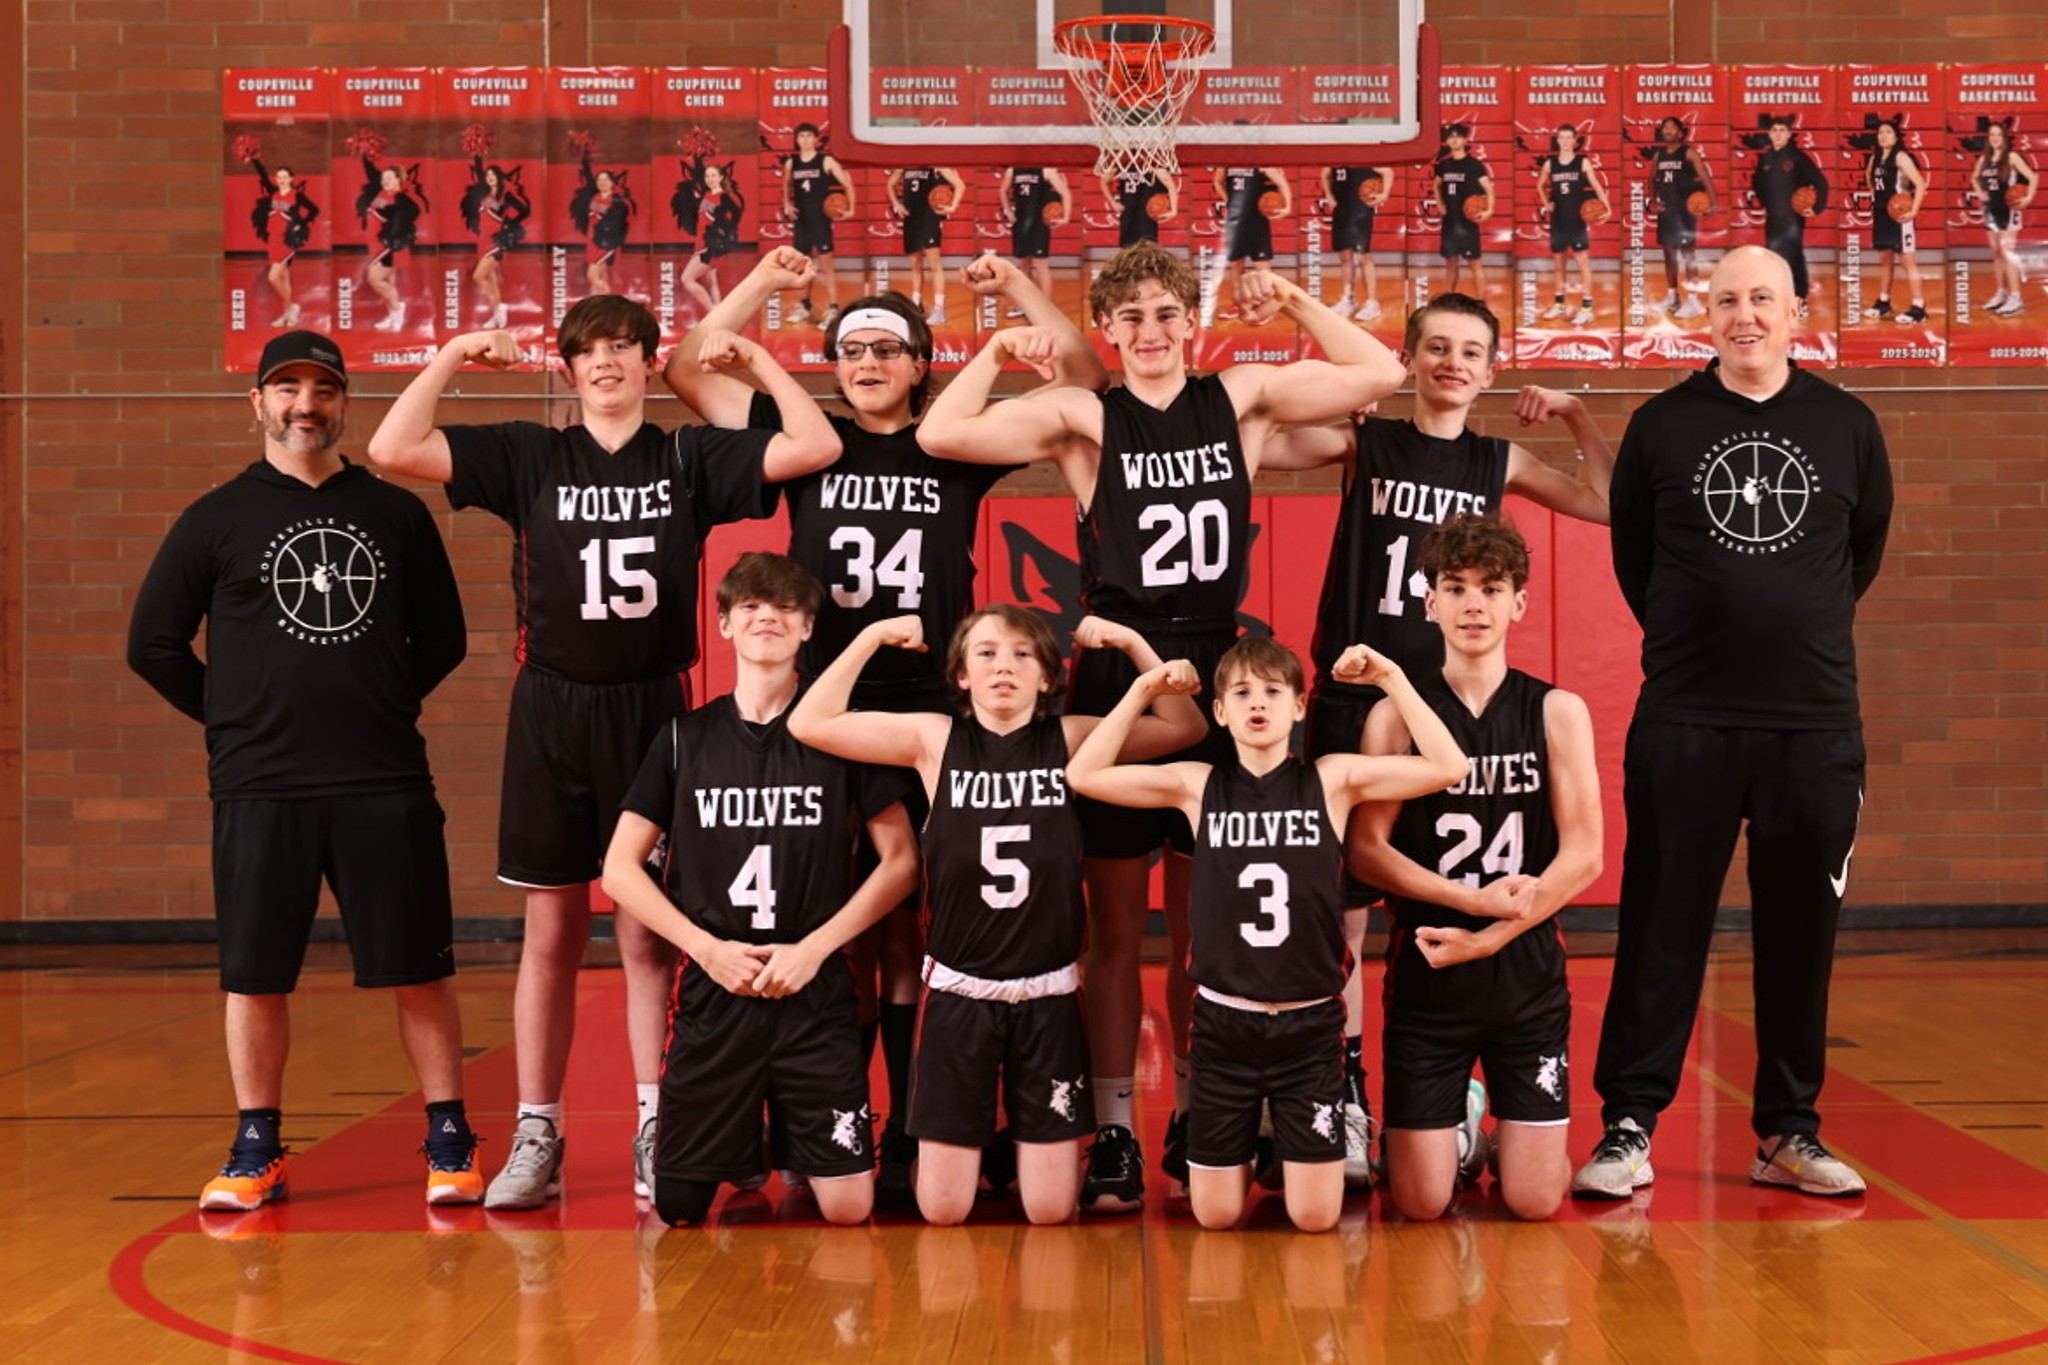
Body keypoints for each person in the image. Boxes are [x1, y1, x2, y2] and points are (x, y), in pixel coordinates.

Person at [919, 241, 1406, 1214]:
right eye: (1131, 316)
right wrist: (999, 346)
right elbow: (941, 434)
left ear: (1192, 320)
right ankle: (1111, 1125)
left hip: (1220, 673)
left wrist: (1292, 296)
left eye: (1166, 313)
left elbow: (1380, 372)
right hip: (1119, 670)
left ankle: (1196, 1110)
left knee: (1202, 928)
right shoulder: (1085, 417)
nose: (1150, 331)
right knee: (1111, 928)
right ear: (1106, 328)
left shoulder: (1239, 400)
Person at [366, 294, 840, 1211]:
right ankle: (538, 1129)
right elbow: (393, 446)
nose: (609, 363)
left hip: (652, 708)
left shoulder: (686, 456)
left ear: (648, 361)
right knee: (549, 928)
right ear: (568, 366)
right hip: (551, 705)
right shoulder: (530, 454)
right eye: (591, 350)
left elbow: (813, 446)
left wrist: (757, 363)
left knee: (643, 931)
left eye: (626, 347)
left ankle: (657, 1123)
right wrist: (457, 350)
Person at [666, 246, 1105, 1202]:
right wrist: (762, 285)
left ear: (919, 363)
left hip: (936, 712)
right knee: (838, 923)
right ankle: (828, 1120)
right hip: (830, 710)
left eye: (887, 348)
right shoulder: (806, 437)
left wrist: (1017, 294)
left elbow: (1081, 380)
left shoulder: (955, 441)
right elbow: (689, 367)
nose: (867, 362)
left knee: (920, 924)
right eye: (852, 349)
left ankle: (917, 1126)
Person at [1260, 291, 1613, 1190]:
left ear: (1491, 370)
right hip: (1360, 699)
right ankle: (1345, 1094)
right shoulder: (1366, 441)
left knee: (1443, 888)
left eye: (1471, 351)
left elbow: (1608, 502)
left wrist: (1576, 413)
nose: (1453, 363)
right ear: (1410, 360)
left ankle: (1460, 1088)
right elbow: (1255, 442)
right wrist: (1329, 367)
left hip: (1456, 703)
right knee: (1341, 913)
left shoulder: (1499, 459)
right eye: (1437, 348)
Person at [127, 330, 475, 1210]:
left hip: (383, 780)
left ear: (344, 401)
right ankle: (257, 1147)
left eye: (322, 389)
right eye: (287, 389)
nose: (305, 405)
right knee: (254, 972)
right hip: (261, 785)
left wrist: (379, 704)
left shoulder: (396, 513)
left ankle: (449, 1136)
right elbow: (152, 644)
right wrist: (234, 720)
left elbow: (444, 639)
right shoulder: (215, 518)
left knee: (417, 966)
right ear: (258, 402)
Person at [1576, 245, 1893, 1201]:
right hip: (1687, 719)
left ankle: (1788, 1131)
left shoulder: (1848, 424)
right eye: (1726, 299)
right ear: (1704, 314)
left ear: (1798, 311)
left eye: (1763, 298)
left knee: (1801, 936)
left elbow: (1861, 553)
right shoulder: (1661, 425)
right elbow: (1637, 558)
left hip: (1815, 726)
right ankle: (1629, 1124)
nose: (1745, 314)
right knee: (1661, 927)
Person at [788, 607, 1206, 1226]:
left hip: (1047, 996)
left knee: (1050, 1209)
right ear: (960, 675)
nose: (1003, 666)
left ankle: (1014, 1143)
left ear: (1047, 677)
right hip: (960, 996)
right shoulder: (935, 740)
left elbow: (1184, 726)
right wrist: (872, 637)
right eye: (985, 653)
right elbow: (809, 722)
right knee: (943, 1209)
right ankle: (986, 1143)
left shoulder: (1070, 740)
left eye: (1021, 655)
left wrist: (1133, 644)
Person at [1066, 636, 1467, 1232]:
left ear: (1300, 707)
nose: (1258, 703)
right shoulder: (1199, 785)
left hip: (1309, 1029)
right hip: (1225, 1027)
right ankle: (1262, 1136)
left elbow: (1449, 766)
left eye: (1274, 691)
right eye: (1242, 692)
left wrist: (1391, 678)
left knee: (1315, 1217)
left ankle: (1284, 1135)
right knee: (1216, 1215)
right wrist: (1145, 688)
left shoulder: (1330, 779)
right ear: (1220, 711)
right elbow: (1083, 773)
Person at [600, 553, 919, 1227]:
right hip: (717, 987)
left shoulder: (840, 736)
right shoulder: (683, 738)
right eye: (749, 605)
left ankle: (775, 1135)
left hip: (813, 988)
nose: (766, 616)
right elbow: (620, 868)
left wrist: (815, 948)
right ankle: (745, 1137)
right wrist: (705, 947)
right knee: (679, 1207)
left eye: (783, 607)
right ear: (723, 624)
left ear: (808, 627)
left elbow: (900, 862)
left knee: (848, 1207)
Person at [1351, 514, 1603, 1223]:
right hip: (1429, 973)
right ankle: (1463, 1125)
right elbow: (1366, 850)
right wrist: (1471, 902)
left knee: (1535, 1199)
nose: (1473, 605)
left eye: (1491, 589)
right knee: (1421, 1202)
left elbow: (1586, 853)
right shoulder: (1394, 717)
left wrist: (1492, 933)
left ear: (1518, 602)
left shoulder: (1557, 710)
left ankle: (1490, 1131)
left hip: (1526, 977)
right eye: (1456, 588)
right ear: (1428, 601)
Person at [1748, 116, 1830, 318]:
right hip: (1773, 216)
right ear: (1769, 134)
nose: (1778, 134)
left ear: (1789, 134)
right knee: (1773, 258)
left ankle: (1800, 301)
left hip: (1792, 218)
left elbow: (1821, 182)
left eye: (1782, 130)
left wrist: (1816, 207)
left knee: (1793, 257)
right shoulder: (1765, 159)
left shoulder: (1798, 157)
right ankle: (1779, 300)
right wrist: (1766, 202)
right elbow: (1757, 182)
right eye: (1774, 130)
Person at [783, 123, 857, 329]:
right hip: (802, 222)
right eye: (801, 136)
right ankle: (805, 306)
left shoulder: (826, 161)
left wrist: (851, 209)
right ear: (796, 139)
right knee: (803, 266)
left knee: (826, 266)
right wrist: (787, 204)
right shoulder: (792, 163)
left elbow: (848, 184)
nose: (805, 140)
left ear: (816, 139)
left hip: (820, 221)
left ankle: (833, 309)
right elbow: (786, 185)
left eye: (809, 136)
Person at [1537, 125, 1610, 327]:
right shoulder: (1550, 163)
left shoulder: (1582, 162)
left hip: (1577, 221)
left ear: (1575, 141)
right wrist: (1546, 203)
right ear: (1557, 140)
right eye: (1562, 137)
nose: (1565, 141)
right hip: (1558, 220)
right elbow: (1539, 185)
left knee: (1582, 263)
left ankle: (1587, 309)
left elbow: (1596, 185)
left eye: (1569, 137)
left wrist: (1607, 206)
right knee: (1559, 265)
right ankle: (1559, 305)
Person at [1644, 116, 1715, 317]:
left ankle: (1693, 300)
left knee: (1688, 254)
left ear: (1680, 133)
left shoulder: (1688, 153)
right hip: (1667, 211)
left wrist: (1713, 202)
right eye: (1665, 128)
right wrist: (1653, 201)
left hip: (1685, 211)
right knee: (1668, 253)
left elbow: (1705, 177)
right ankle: (1673, 297)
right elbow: (1651, 179)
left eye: (1672, 128)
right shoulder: (1659, 155)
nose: (1667, 131)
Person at [1860, 120, 1928, 325]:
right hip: (1881, 213)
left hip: (1899, 216)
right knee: (1885, 259)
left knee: (1907, 260)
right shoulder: (1875, 157)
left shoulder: (1900, 157)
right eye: (1880, 132)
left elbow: (1920, 184)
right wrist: (1877, 196)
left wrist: (1913, 210)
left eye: (1888, 132)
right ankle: (1884, 302)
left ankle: (1919, 307)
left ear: (1896, 137)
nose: (1883, 136)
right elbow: (1869, 178)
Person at [886, 166, 967, 326]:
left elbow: (960, 185)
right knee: (915, 265)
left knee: (935, 265)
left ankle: (939, 310)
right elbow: (890, 184)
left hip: (929, 218)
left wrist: (953, 206)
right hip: (911, 218)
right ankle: (916, 305)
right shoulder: (905, 164)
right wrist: (897, 204)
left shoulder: (935, 165)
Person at [1972, 120, 2037, 317]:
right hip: (1991, 209)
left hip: (2009, 209)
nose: (1995, 138)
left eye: (1998, 135)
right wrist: (1979, 192)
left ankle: (2016, 298)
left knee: (2008, 252)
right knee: (1997, 253)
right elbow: (1974, 178)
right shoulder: (1984, 159)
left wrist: (2028, 198)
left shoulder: (2012, 157)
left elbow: (2033, 177)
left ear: (2004, 138)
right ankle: (2001, 293)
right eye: (1992, 135)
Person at [1212, 164, 1292, 319]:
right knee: (1236, 264)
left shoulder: (1260, 163)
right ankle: (1239, 305)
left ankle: (1267, 307)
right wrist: (1228, 200)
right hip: (1236, 220)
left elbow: (1282, 182)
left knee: (1262, 265)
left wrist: (1287, 206)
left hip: (1257, 219)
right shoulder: (1227, 162)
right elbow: (1217, 182)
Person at [461, 159, 531, 330]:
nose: (490, 178)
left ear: (499, 177)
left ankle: (500, 309)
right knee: (491, 280)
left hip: (495, 242)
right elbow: (478, 173)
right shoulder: (485, 195)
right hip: (483, 241)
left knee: (478, 276)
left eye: (493, 175)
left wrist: (510, 224)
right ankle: (496, 315)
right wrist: (477, 156)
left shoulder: (505, 196)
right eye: (488, 175)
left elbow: (525, 210)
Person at [357, 159, 424, 331]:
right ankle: (392, 316)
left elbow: (414, 211)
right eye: (383, 178)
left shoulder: (400, 198)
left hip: (387, 247)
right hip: (376, 245)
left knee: (374, 278)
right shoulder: (382, 194)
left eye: (389, 178)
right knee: (389, 281)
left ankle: (398, 308)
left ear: (398, 180)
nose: (384, 181)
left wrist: (396, 232)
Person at [250, 159, 318, 328]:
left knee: (273, 277)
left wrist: (301, 224)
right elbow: (263, 176)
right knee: (284, 276)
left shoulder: (297, 195)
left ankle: (292, 307)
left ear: (291, 179)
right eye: (279, 177)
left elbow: (314, 210)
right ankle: (287, 314)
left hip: (287, 240)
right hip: (273, 238)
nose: (281, 180)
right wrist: (254, 159)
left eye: (285, 177)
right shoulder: (273, 192)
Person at [1321, 165, 1392, 321]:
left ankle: (1372, 303)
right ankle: (1348, 299)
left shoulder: (1365, 157)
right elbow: (1325, 173)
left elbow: (1388, 172)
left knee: (1362, 257)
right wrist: (1329, 196)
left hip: (1361, 212)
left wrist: (1384, 194)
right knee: (1345, 256)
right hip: (1341, 210)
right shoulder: (1336, 158)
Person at [1431, 124, 1493, 298]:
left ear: (1465, 140)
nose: (1454, 140)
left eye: (1458, 137)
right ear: (1447, 141)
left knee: (1474, 264)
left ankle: (1481, 302)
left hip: (1467, 223)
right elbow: (1436, 186)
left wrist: (1489, 210)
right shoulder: (1443, 165)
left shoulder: (1474, 165)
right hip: (1450, 222)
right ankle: (1449, 298)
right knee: (1451, 263)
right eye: (1450, 137)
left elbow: (1489, 190)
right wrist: (1439, 204)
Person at [676, 160, 744, 317]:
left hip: (710, 244)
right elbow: (703, 215)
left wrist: (723, 229)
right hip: (701, 242)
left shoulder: (724, 197)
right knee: (712, 282)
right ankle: (721, 316)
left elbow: (736, 214)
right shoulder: (707, 195)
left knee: (687, 279)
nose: (710, 179)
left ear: (721, 177)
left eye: (713, 175)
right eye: (707, 176)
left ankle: (712, 312)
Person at [1002, 167, 1074, 303]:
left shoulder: (1046, 171)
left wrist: (1066, 217)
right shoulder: (1013, 170)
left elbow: (1066, 194)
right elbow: (1002, 190)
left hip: (1039, 224)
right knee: (1024, 266)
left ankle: (1046, 306)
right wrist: (1008, 211)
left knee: (1041, 266)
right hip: (1020, 223)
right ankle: (1026, 304)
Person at [570, 154, 634, 297]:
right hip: (592, 241)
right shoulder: (596, 198)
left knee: (592, 276)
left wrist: (609, 239)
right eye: (599, 180)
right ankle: (601, 304)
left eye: (605, 180)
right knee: (601, 276)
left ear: (612, 183)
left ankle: (610, 303)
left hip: (605, 243)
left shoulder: (617, 201)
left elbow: (617, 223)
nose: (602, 183)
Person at [1104, 168, 1179, 247]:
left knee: (1148, 249)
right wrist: (1113, 202)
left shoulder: (1155, 167)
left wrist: (1174, 210)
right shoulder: (1123, 166)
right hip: (1128, 217)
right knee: (1128, 250)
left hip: (1147, 219)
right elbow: (1104, 182)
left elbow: (1171, 186)